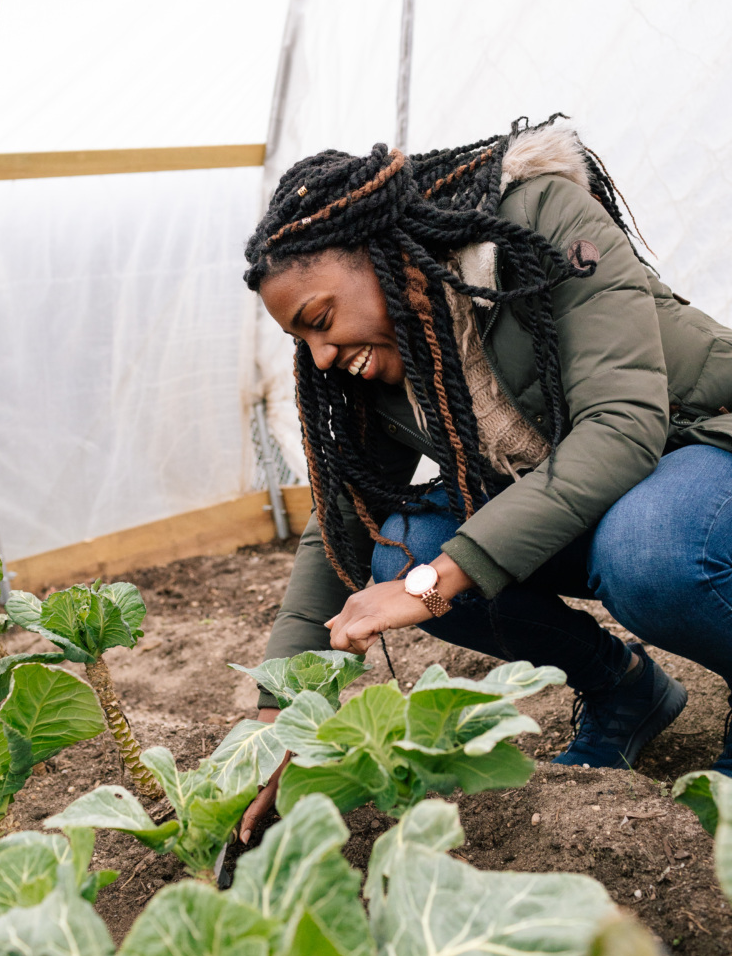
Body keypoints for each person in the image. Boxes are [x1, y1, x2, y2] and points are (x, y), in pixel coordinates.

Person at [238, 115, 732, 844]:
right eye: (299, 340)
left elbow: (622, 427)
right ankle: (623, 691)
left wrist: (443, 578)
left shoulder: (537, 222)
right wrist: (280, 714)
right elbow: (342, 520)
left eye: (320, 320)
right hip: (588, 486)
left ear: (382, 257)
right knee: (399, 546)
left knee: (650, 551)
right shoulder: (384, 355)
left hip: (698, 446)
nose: (317, 358)